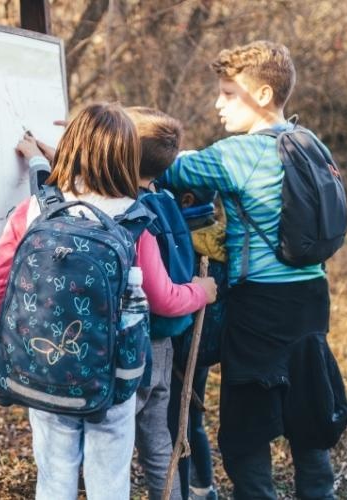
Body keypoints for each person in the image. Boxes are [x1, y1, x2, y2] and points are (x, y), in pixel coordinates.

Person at [0, 102, 216, 500]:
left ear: (69, 150)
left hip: (47, 366)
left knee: (54, 473)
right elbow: (159, 296)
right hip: (113, 374)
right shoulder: (135, 218)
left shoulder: (35, 209)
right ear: (127, 158)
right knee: (109, 478)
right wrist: (201, 291)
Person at [159, 41, 340, 499]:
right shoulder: (309, 142)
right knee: (308, 420)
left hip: (260, 307)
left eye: (227, 93)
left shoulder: (236, 154)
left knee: (245, 439)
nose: (218, 104)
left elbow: (167, 172)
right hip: (312, 298)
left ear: (261, 95)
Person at [121, 106, 207, 500]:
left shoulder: (127, 210)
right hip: (164, 345)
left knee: (115, 445)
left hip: (131, 347)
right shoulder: (165, 198)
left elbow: (160, 295)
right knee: (158, 443)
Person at [167, 185, 227, 500]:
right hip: (205, 346)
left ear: (187, 200)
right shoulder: (221, 238)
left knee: (176, 427)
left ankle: (187, 493)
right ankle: (205, 489)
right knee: (193, 421)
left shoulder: (182, 241)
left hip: (180, 346)